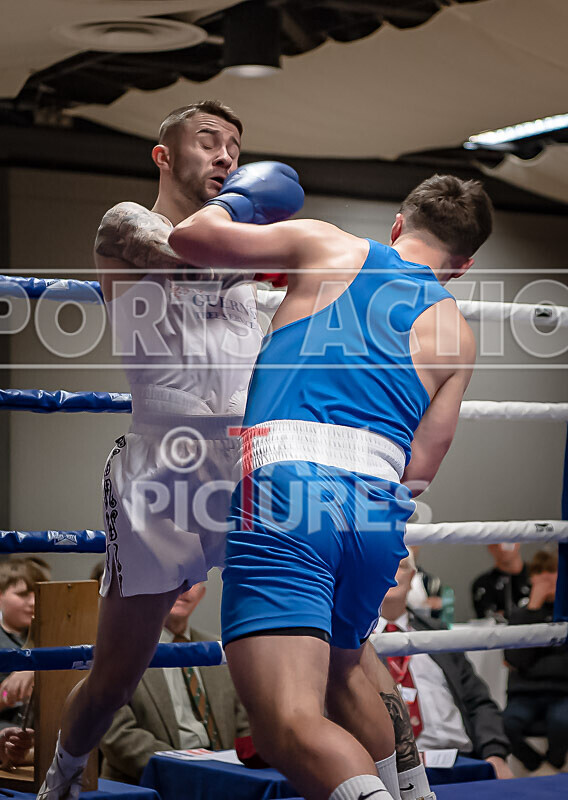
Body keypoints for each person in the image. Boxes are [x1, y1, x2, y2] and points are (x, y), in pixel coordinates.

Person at [169, 170, 493, 800]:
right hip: (377, 514)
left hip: (288, 491)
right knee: (346, 666)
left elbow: (190, 238)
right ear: (463, 264)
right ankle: (415, 792)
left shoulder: (329, 244)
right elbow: (421, 469)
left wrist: (239, 197)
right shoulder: (460, 336)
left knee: (288, 723)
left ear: (398, 225)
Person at [38, 102, 303, 800]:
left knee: (322, 649)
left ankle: (399, 782)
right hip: (164, 473)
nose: (226, 158)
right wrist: (263, 233)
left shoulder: (249, 258)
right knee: (116, 677)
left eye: (236, 150)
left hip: (251, 468)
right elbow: (188, 256)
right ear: (163, 155)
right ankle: (60, 782)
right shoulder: (126, 225)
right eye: (209, 142)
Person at [372, 554, 513, 779]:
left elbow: (478, 701)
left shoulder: (437, 635)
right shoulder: (350, 642)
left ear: (413, 576)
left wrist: (495, 753)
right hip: (391, 769)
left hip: (461, 760)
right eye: (382, 563)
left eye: (400, 565)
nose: (392, 572)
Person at [100, 582, 250, 783]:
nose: (184, 588)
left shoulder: (220, 650)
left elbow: (245, 726)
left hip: (225, 779)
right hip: (153, 784)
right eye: (177, 578)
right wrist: (187, 772)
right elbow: (116, 735)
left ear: (202, 593)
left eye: (193, 579)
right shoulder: (117, 650)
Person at [503, 550, 568, 771]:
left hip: (562, 693)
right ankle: (537, 765)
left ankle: (554, 763)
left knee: (562, 722)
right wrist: (533, 608)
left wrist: (533, 663)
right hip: (524, 693)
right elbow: (514, 658)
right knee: (506, 724)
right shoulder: (521, 615)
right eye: (539, 572)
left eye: (552, 571)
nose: (546, 578)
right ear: (531, 578)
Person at [0, 559, 47, 728]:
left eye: (38, 593)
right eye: (22, 594)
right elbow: (4, 694)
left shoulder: (53, 633)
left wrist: (35, 670)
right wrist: (7, 694)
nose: (33, 602)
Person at [471, 543, 531, 621]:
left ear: (518, 542)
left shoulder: (538, 577)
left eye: (507, 542)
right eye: (495, 544)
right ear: (489, 547)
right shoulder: (482, 584)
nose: (501, 548)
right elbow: (487, 618)